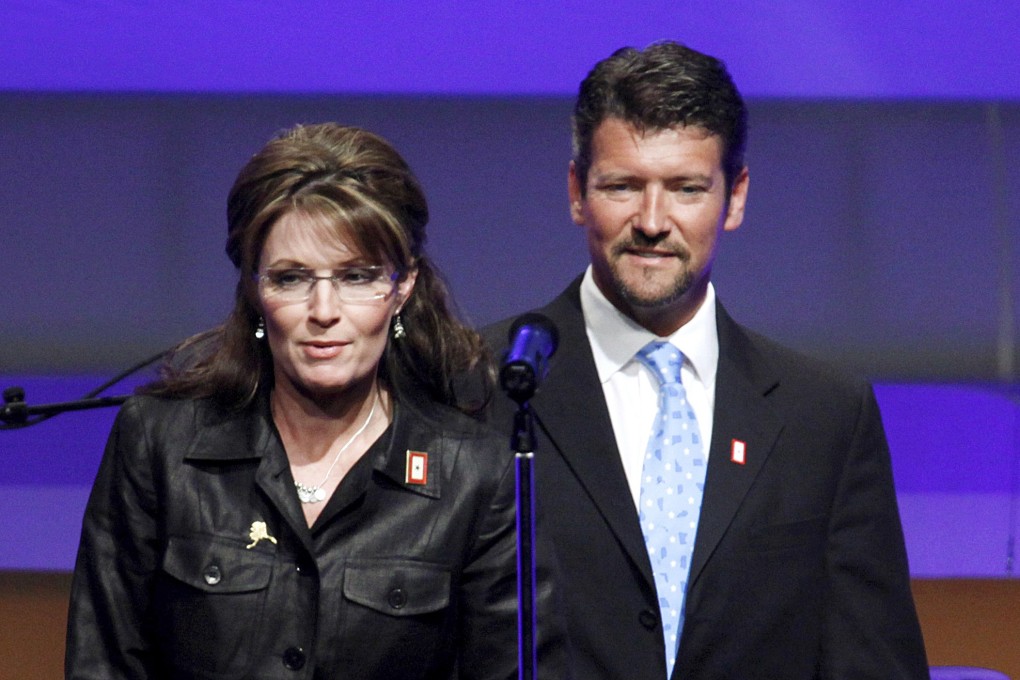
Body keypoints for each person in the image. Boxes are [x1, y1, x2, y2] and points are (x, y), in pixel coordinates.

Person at [484, 42, 930, 679]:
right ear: (578, 192)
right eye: (622, 186)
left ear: (736, 195)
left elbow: (872, 661)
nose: (652, 220)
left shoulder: (824, 414)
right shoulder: (480, 384)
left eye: (686, 188)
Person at [66, 123, 554, 679]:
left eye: (356, 277)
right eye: (292, 277)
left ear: (402, 287)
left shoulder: (476, 475)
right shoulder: (160, 443)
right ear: (254, 289)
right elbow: (102, 663)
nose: (324, 309)